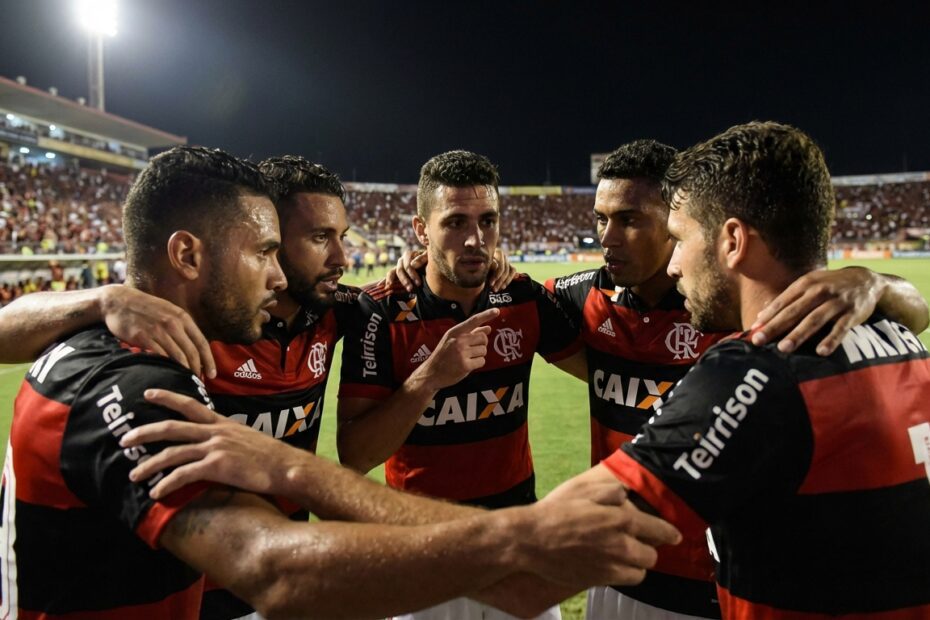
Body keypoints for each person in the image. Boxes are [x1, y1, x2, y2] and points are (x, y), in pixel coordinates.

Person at [1, 145, 679, 619]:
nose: (341, 258)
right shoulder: (130, 372)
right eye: (276, 248)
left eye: (342, 237)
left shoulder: (348, 314)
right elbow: (273, 558)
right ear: (189, 254)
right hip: (241, 577)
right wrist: (96, 300)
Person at [554, 121, 930, 618]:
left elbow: (575, 524)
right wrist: (880, 286)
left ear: (731, 240)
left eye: (678, 238)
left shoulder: (757, 366)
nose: (673, 264)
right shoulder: (896, 337)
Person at [337, 149, 586, 620]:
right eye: (454, 222)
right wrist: (429, 378)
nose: (476, 239)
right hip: (420, 550)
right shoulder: (381, 311)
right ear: (420, 230)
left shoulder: (521, 297)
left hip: (513, 540)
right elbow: (355, 454)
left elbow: (610, 371)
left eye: (487, 221)